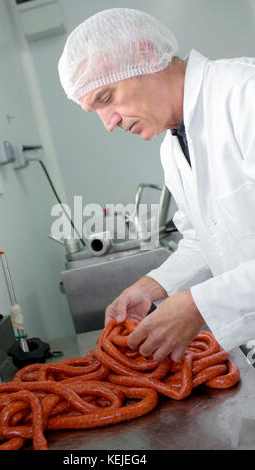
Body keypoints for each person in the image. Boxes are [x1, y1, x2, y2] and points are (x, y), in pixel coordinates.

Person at [58, 8, 255, 362]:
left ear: (146, 56)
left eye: (106, 98)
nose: (108, 122)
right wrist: (151, 287)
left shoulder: (244, 95)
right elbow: (205, 240)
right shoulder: (173, 145)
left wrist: (197, 307)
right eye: (95, 111)